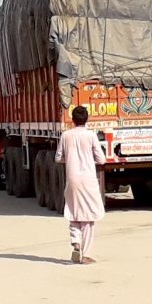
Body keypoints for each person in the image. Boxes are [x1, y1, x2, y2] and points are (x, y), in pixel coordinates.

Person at [56, 105, 106, 264]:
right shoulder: (91, 136)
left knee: (74, 212)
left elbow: (58, 157)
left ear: (73, 120)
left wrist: (71, 159)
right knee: (88, 217)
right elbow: (101, 159)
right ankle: (86, 254)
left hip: (72, 179)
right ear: (87, 119)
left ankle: (76, 242)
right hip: (88, 180)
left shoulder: (66, 135)